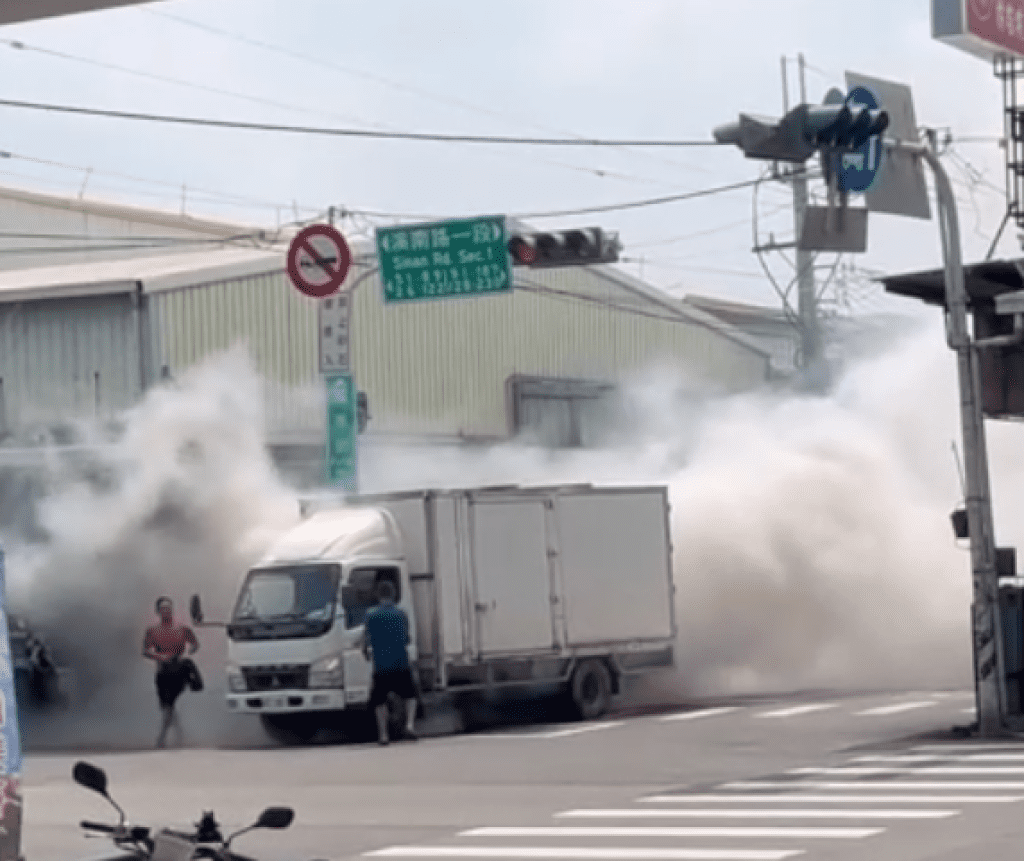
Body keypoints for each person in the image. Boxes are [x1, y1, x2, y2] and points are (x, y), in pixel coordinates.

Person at [363, 580, 418, 745]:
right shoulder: (401, 614)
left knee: (379, 701)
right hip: (401, 662)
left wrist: (367, 653)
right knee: (410, 695)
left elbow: (365, 641)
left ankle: (383, 735)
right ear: (393, 594)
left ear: (377, 595)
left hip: (381, 665)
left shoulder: (370, 615)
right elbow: (407, 638)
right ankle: (409, 725)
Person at [142, 596, 200, 749]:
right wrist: (160, 656)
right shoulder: (152, 631)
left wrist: (192, 649)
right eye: (163, 609)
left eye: (168, 608)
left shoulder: (182, 629)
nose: (166, 611)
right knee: (168, 706)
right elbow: (145, 651)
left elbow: (195, 643)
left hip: (179, 672)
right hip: (163, 672)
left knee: (169, 705)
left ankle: (161, 738)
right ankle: (180, 734)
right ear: (158, 611)